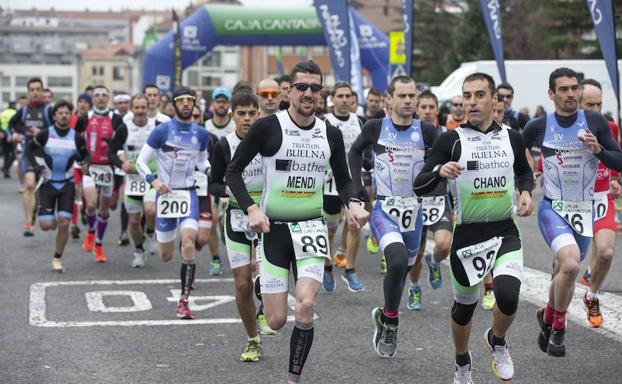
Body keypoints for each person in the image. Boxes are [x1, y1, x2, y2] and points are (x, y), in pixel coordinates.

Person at [226, 60, 368, 383]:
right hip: (272, 229)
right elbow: (232, 172)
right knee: (276, 320)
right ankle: (264, 286)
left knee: (305, 305)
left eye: (314, 88)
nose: (308, 93)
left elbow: (344, 180)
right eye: (301, 87)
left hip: (310, 229)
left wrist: (354, 204)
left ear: (322, 93)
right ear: (288, 90)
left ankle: (293, 378)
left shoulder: (330, 133)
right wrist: (251, 209)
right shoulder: (267, 127)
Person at [415, 72, 534, 383]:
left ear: (494, 99)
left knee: (507, 296)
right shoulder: (450, 140)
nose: (472, 102)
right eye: (467, 96)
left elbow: (523, 173)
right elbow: (419, 185)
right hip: (467, 236)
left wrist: (524, 193)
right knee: (464, 310)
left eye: (479, 95)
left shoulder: (511, 137)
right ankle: (462, 361)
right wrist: (440, 170)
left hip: (505, 230)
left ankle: (497, 340)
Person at [522, 68, 622, 357]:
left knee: (570, 269)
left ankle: (549, 315)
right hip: (553, 208)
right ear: (551, 94)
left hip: (586, 207)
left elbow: (618, 159)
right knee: (570, 265)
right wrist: (527, 184)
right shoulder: (538, 125)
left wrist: (599, 149)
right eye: (563, 89)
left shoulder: (595, 121)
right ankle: (560, 326)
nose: (570, 94)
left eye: (574, 88)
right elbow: (517, 151)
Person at [349, 75, 438, 358]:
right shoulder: (376, 127)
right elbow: (353, 152)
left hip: (415, 211)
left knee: (402, 272)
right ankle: (391, 320)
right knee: (397, 261)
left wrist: (440, 175)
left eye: (413, 96)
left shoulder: (427, 131)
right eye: (403, 96)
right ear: (390, 99)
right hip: (384, 210)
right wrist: (356, 192)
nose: (409, 101)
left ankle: (385, 314)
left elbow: (445, 159)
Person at [136, 87, 211, 320]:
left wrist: (212, 172)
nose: (186, 104)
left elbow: (201, 161)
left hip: (188, 195)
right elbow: (141, 162)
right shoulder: (162, 131)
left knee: (189, 243)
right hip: (166, 196)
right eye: (182, 100)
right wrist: (153, 180)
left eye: (190, 100)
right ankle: (157, 236)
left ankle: (184, 300)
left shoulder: (201, 133)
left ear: (195, 103)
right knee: (166, 255)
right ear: (175, 104)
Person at [209, 91, 270, 361]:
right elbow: (213, 183)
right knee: (243, 284)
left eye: (251, 113)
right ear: (232, 114)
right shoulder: (224, 145)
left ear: (258, 114)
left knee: (264, 274)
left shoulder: (270, 142)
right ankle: (252, 338)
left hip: (267, 217)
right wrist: (230, 190)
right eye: (241, 113)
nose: (247, 119)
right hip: (236, 218)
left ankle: (266, 306)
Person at [575, 78, 621, 328]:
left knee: (605, 252)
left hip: (601, 196)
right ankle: (553, 310)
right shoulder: (566, 128)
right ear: (578, 105)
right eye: (590, 105)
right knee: (567, 262)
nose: (596, 110)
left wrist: (614, 178)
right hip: (572, 201)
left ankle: (591, 296)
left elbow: (615, 154)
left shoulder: (610, 126)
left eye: (599, 104)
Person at [27, 100, 89, 272]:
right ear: (54, 116)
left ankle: (57, 258)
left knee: (64, 223)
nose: (64, 116)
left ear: (71, 116)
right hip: (48, 184)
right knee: (47, 226)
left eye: (67, 113)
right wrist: (36, 166)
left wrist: (85, 164)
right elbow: (29, 149)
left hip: (67, 185)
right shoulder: (45, 134)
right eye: (60, 113)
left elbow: (85, 155)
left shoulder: (76, 137)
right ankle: (47, 217)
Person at [406, 90, 453, 311]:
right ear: (417, 110)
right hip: (415, 201)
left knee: (444, 245)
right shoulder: (409, 133)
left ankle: (435, 263)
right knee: (417, 250)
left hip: (440, 198)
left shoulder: (445, 133)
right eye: (422, 107)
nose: (426, 111)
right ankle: (414, 288)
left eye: (430, 107)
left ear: (437, 110)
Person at [74, 85, 126, 262]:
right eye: (97, 95)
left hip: (108, 169)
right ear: (92, 99)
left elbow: (120, 144)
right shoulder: (84, 119)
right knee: (90, 205)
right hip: (90, 167)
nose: (101, 98)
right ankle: (90, 232)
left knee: (104, 210)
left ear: (109, 98)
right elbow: (77, 142)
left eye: (104, 95)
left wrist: (120, 161)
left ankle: (99, 244)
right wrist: (81, 161)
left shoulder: (116, 119)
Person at [322, 82, 365, 293]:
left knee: (355, 223)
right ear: (333, 99)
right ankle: (328, 266)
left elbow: (364, 151)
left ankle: (350, 269)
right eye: (340, 96)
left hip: (352, 182)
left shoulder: (360, 122)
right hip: (330, 184)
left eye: (348, 96)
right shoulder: (324, 122)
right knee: (330, 229)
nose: (345, 100)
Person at [108, 94, 159, 267]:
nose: (140, 111)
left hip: (152, 178)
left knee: (150, 210)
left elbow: (167, 151)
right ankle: (139, 249)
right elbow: (112, 151)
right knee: (134, 222)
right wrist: (121, 164)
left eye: (143, 107)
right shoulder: (124, 128)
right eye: (136, 108)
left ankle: (151, 232)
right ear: (132, 109)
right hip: (132, 180)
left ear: (148, 108)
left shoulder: (156, 127)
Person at [8, 77, 53, 236]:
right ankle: (28, 224)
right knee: (29, 184)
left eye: (38, 89)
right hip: (29, 153)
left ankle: (39, 211)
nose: (35, 92)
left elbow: (59, 130)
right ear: (28, 92)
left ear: (42, 91)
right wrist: (13, 134)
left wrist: (42, 134)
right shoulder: (24, 110)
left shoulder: (49, 111)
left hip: (47, 155)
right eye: (32, 90)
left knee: (44, 190)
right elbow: (11, 124)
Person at [69, 92, 93, 239]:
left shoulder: (93, 119)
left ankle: (85, 210)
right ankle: (74, 224)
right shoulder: (71, 119)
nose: (82, 104)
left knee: (85, 192)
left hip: (89, 161)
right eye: (80, 101)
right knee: (75, 190)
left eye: (86, 101)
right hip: (74, 160)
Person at [1, 101, 17, 178]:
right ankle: (6, 168)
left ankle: (6, 171)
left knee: (6, 154)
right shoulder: (15, 113)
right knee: (14, 154)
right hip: (12, 135)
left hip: (2, 135)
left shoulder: (3, 113)